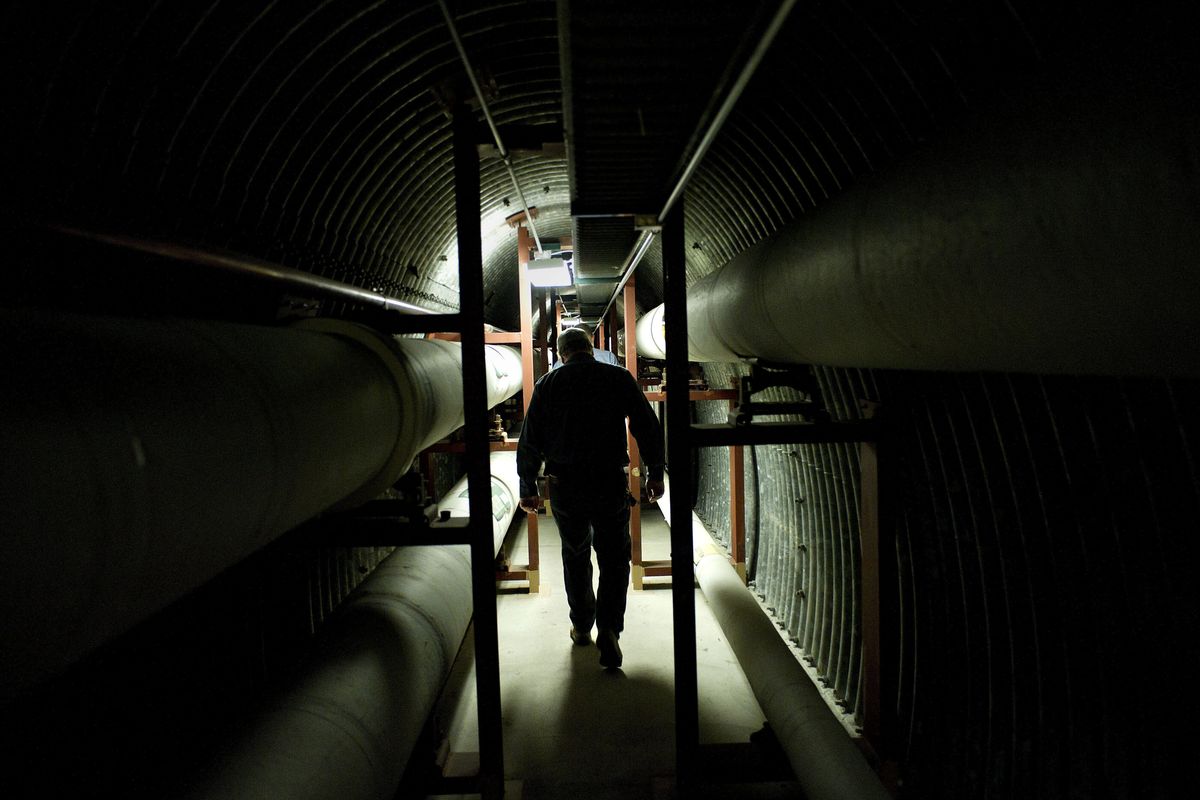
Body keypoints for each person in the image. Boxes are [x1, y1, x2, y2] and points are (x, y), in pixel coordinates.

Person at [517, 326, 665, 669]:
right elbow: (646, 424)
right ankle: (610, 627)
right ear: (590, 348)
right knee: (614, 556)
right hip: (608, 480)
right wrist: (655, 471)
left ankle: (582, 626)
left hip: (566, 484)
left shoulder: (548, 384)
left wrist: (528, 487)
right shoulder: (617, 377)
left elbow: (530, 440)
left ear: (561, 354)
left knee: (576, 552)